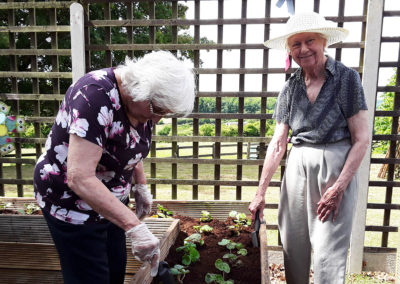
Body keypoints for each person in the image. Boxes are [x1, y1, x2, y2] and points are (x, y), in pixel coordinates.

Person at [33, 50, 196, 284]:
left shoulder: (142, 107)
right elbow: (79, 178)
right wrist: (134, 226)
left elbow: (129, 146)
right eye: (158, 110)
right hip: (72, 205)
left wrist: (140, 185)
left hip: (110, 202)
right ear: (140, 90)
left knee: (114, 273)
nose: (158, 119)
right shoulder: (93, 96)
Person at [248, 12, 370, 284]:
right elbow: (279, 142)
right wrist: (260, 193)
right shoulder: (290, 87)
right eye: (295, 44)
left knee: (328, 251)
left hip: (335, 166)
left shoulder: (346, 79)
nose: (303, 49)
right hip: (297, 166)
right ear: (290, 50)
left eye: (310, 41)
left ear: (324, 41)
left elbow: (361, 138)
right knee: (293, 243)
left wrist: (339, 188)